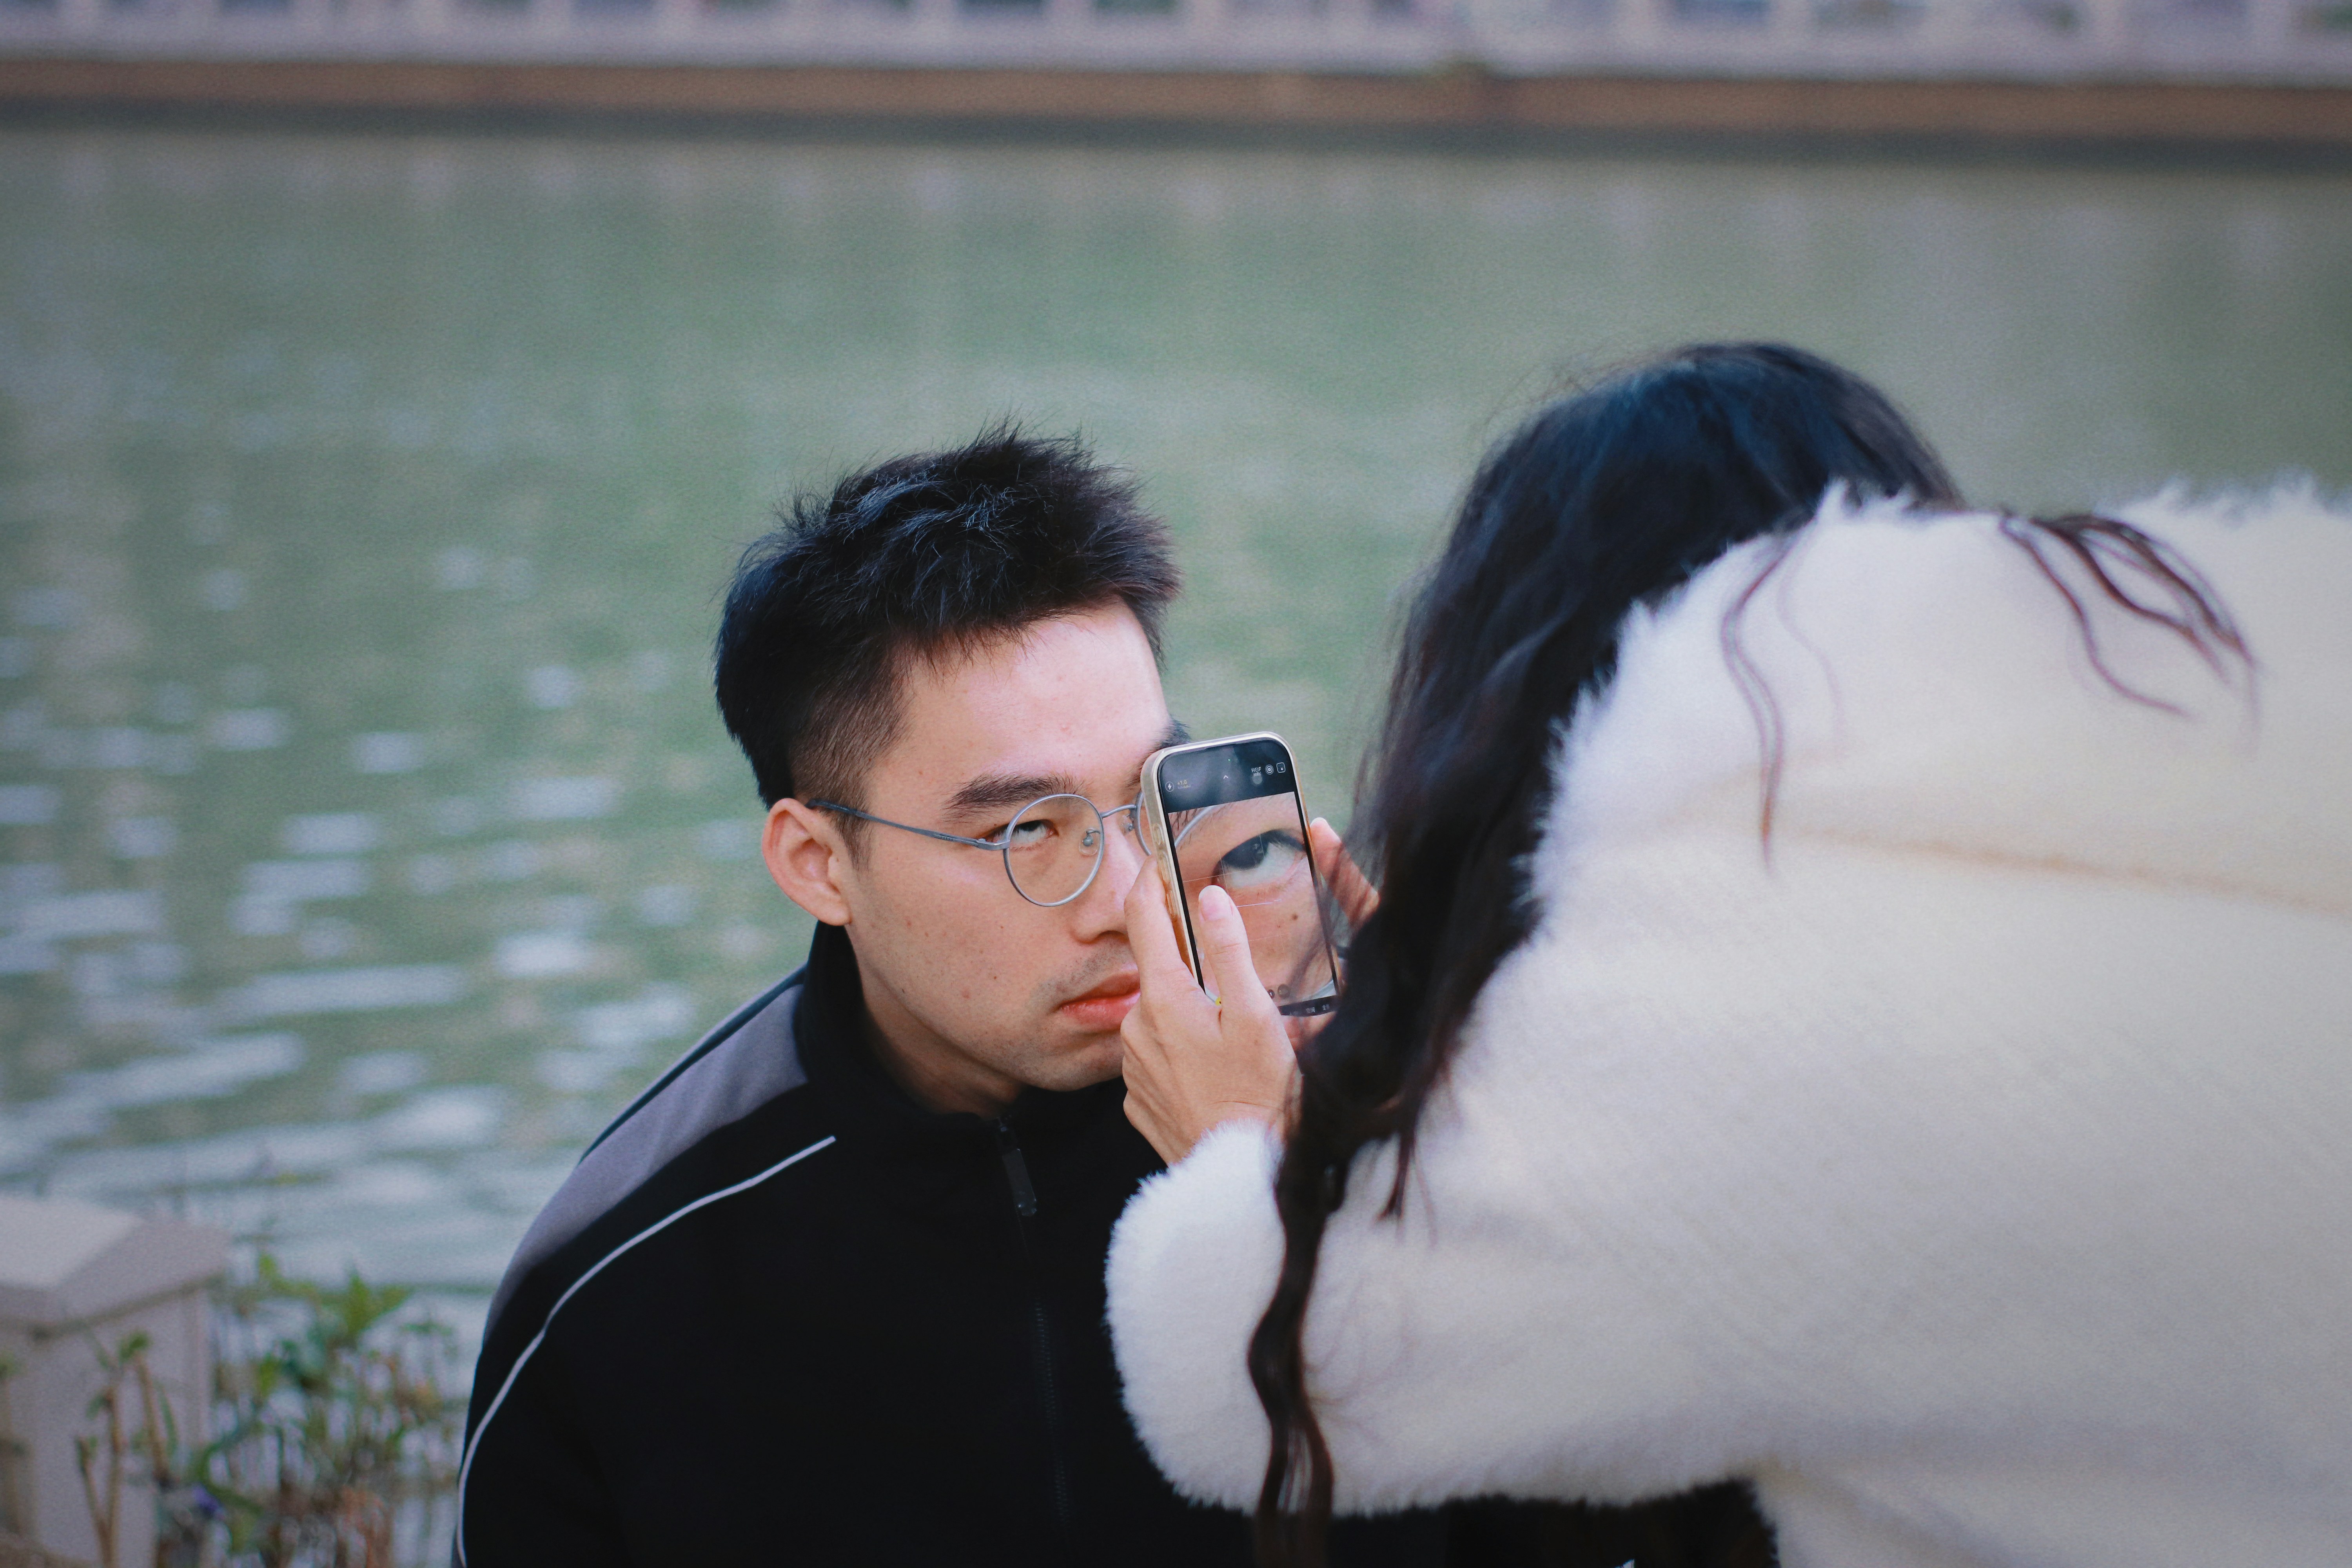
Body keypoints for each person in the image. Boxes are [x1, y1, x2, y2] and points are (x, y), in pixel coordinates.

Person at [1104, 345, 2352, 1568]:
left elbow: (1253, 1383)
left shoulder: (1750, 1051)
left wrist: (1238, 1141)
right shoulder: (2200, 812)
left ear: (1534, 712)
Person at [456, 428, 1454, 1565]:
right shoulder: (624, 1283)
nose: (1126, 897)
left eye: (1146, 800)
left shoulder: (1344, 1131)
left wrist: (1316, 1192)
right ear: (819, 864)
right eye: (1031, 830)